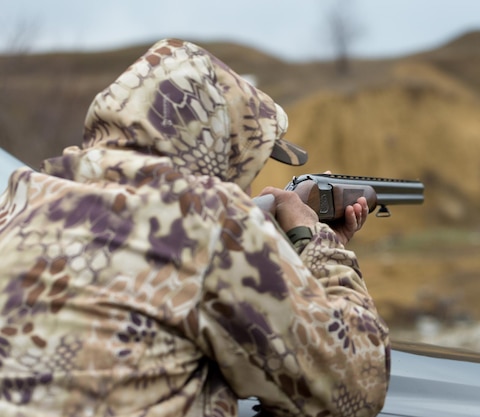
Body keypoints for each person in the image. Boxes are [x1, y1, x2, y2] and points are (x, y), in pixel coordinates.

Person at [0, 39, 390, 417]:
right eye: (249, 165)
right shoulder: (208, 221)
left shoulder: (20, 199)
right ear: (219, 151)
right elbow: (357, 384)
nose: (250, 186)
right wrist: (321, 244)